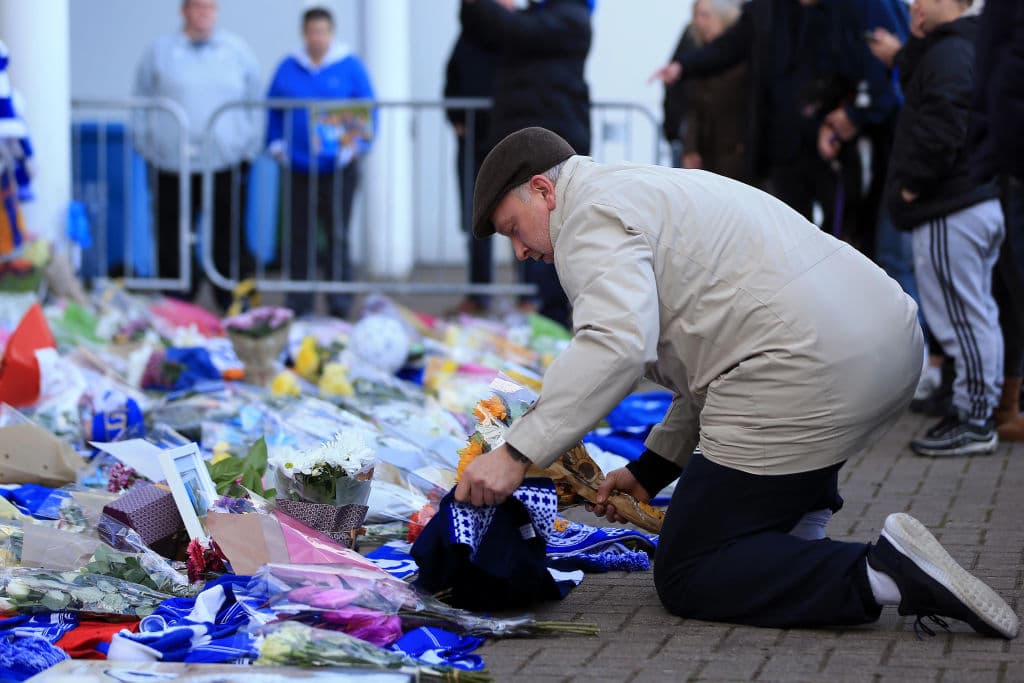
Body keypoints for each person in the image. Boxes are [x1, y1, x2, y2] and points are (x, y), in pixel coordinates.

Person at [454, 126, 1019, 639]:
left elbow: (616, 343)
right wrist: (652, 470)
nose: (522, 251)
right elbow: (708, 351)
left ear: (543, 191)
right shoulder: (636, 187)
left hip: (807, 370)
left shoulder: (585, 219)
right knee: (749, 475)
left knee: (688, 568)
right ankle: (796, 537)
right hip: (884, 341)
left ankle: (885, 573)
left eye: (513, 228)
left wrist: (516, 452)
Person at [650, 0, 903, 247]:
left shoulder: (848, 9)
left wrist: (849, 117)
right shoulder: (766, 10)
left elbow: (866, 72)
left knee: (841, 239)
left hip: (831, 145)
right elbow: (729, 47)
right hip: (781, 145)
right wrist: (683, 67)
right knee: (786, 238)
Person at [884, 0, 1004, 457]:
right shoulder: (951, 46)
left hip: (951, 205)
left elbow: (944, 125)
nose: (914, 4)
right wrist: (915, 42)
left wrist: (916, 183)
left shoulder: (954, 52)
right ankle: (971, 410)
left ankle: (976, 421)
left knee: (963, 319)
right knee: (972, 314)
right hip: (965, 201)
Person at [459, 0, 593, 328]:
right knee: (528, 238)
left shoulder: (571, 19)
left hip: (550, 147)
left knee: (546, 237)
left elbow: (514, 30)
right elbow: (485, 32)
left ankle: (554, 319)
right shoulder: (537, 17)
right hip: (523, 144)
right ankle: (546, 318)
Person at [134, 0, 261, 311]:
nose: (205, 14)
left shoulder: (237, 51)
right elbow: (141, 100)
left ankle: (231, 302)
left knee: (227, 234)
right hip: (171, 164)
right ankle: (176, 301)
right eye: (198, 7)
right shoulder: (160, 52)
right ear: (184, 11)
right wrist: (148, 146)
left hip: (224, 162)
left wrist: (247, 148)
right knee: (170, 233)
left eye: (210, 7)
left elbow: (253, 101)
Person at [266, 6, 376, 319]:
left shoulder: (350, 66)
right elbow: (272, 109)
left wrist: (356, 146)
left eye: (323, 31)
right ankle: (299, 301)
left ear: (331, 33)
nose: (317, 37)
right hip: (299, 166)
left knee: (338, 233)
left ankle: (339, 302)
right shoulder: (289, 67)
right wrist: (275, 143)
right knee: (299, 233)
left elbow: (368, 112)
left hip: (339, 167)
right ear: (304, 34)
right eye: (312, 32)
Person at [971, 0, 1024, 441]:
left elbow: (1003, 78)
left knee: (1011, 287)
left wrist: (990, 155)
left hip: (1009, 165)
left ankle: (1006, 404)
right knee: (1005, 288)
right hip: (1003, 164)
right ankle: (1006, 402)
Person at [443, 26, 497, 316]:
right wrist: (455, 116)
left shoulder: (514, 32)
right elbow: (450, 80)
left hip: (506, 139)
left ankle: (530, 298)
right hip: (472, 142)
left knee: (527, 218)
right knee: (476, 220)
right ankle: (479, 294)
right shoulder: (466, 39)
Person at [679, 0, 749, 182]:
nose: (699, 22)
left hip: (737, 153)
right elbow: (692, 108)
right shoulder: (694, 53)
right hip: (706, 154)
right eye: (697, 15)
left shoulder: (745, 54)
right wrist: (690, 148)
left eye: (705, 15)